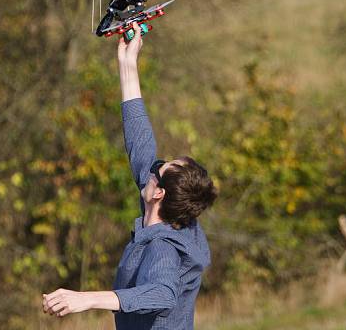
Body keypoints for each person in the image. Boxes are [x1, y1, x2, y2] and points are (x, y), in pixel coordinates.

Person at [43, 22, 217, 326]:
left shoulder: (163, 247)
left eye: (157, 171)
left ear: (158, 193)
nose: (150, 169)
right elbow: (140, 143)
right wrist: (127, 64)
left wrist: (86, 298)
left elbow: (163, 293)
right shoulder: (175, 215)